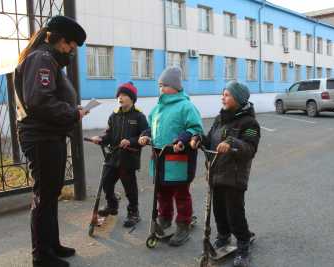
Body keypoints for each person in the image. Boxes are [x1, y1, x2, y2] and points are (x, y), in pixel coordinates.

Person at [14, 16, 87, 267]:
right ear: (57, 39)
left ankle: (51, 245)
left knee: (50, 193)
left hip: (48, 135)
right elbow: (39, 101)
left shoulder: (48, 59)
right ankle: (41, 255)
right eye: (71, 45)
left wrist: (70, 108)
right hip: (41, 137)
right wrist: (72, 113)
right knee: (44, 195)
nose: (71, 51)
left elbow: (46, 98)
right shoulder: (42, 59)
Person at [190, 81, 260, 267]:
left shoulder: (250, 123)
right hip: (216, 173)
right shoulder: (219, 119)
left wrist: (232, 144)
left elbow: (250, 148)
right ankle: (223, 236)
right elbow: (210, 140)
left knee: (234, 212)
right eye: (223, 94)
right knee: (218, 210)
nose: (223, 97)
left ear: (238, 98)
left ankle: (243, 243)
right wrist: (198, 139)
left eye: (227, 94)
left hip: (234, 176)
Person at [139, 67, 204, 246]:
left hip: (178, 158)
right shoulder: (157, 107)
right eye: (160, 85)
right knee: (162, 193)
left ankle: (183, 225)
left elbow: (195, 129)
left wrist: (182, 139)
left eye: (165, 85)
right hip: (159, 157)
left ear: (175, 86)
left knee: (181, 193)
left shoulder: (186, 106)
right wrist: (145, 135)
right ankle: (164, 219)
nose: (161, 89)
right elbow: (150, 126)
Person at [90, 82, 148, 228]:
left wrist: (131, 141)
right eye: (119, 96)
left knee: (130, 188)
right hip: (113, 156)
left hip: (128, 158)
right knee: (106, 182)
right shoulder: (114, 116)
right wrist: (101, 138)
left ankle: (134, 212)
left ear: (132, 98)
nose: (120, 98)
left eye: (124, 95)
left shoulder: (139, 116)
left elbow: (146, 133)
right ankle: (112, 205)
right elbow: (109, 134)